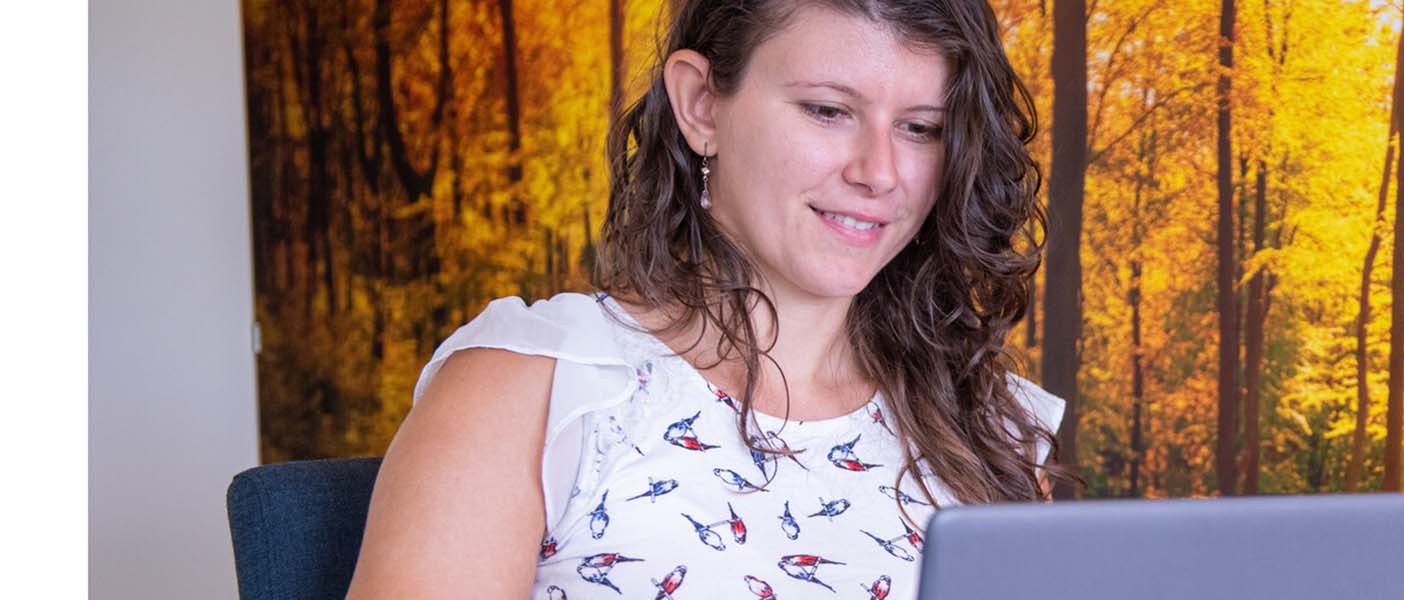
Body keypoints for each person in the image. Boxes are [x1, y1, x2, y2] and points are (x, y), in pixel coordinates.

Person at [344, 0, 1066, 598]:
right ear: (700, 106)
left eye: (922, 129)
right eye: (826, 111)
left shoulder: (992, 432)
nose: (880, 172)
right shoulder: (526, 389)